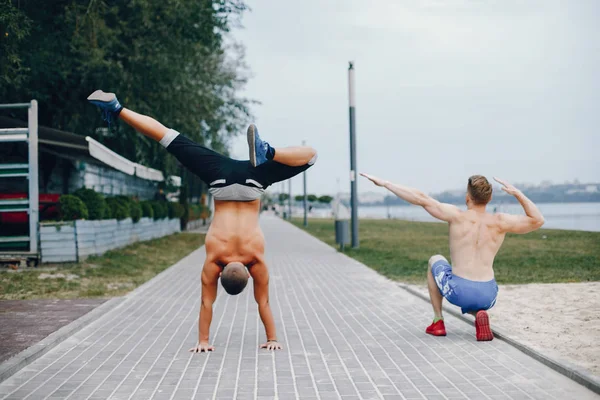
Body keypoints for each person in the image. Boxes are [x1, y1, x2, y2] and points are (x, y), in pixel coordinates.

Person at [88, 90, 317, 352]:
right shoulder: (214, 261)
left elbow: (263, 303)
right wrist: (203, 341)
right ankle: (116, 108)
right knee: (167, 137)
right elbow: (207, 303)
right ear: (220, 276)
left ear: (247, 273)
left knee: (310, 156)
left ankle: (269, 151)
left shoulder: (256, 260)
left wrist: (273, 339)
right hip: (218, 180)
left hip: (254, 181)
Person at [361, 173, 544, 341]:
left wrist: (386, 184)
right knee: (475, 293)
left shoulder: (456, 216)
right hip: (489, 295)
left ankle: (438, 321)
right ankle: (478, 315)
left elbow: (421, 199)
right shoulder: (501, 221)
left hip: (458, 291)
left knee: (435, 259)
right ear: (489, 198)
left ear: (467, 197)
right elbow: (537, 220)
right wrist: (518, 193)